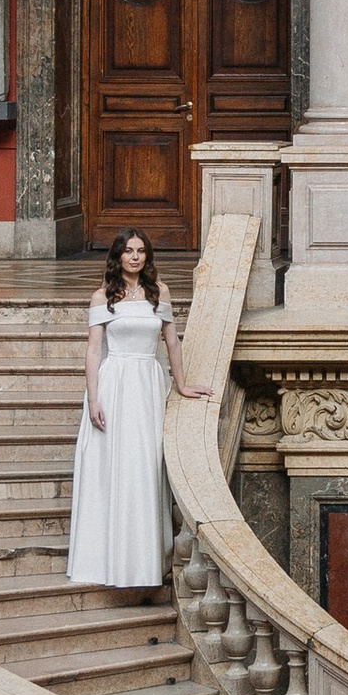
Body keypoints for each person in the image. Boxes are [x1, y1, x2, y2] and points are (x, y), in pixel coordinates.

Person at [68, 230, 208, 590]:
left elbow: (172, 341)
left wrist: (180, 384)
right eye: (128, 251)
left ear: (147, 256)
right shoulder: (103, 296)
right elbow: (94, 351)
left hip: (147, 384)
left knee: (144, 467)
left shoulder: (159, 292)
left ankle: (144, 561)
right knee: (114, 467)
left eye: (141, 251)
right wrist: (94, 398)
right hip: (114, 385)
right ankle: (106, 560)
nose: (135, 257)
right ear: (118, 256)